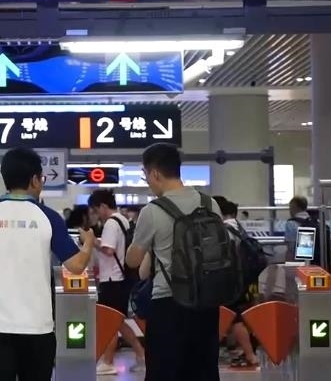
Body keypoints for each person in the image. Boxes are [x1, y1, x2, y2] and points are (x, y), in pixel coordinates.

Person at [0, 147, 94, 381]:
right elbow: (76, 266)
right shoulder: (49, 217)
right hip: (37, 328)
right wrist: (88, 243)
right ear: (34, 180)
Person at [125, 143, 215, 381]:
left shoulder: (153, 211)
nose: (147, 182)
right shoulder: (209, 203)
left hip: (168, 302)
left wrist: (149, 245)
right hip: (207, 301)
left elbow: (132, 261)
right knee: (203, 370)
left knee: (164, 371)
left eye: (146, 176)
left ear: (155, 173)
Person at [88, 189, 145, 375]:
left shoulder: (111, 223)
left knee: (109, 321)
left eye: (96, 210)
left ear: (103, 206)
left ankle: (108, 361)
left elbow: (108, 249)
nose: (96, 215)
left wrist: (91, 241)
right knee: (118, 321)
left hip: (112, 279)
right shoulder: (123, 220)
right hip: (121, 278)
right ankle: (141, 354)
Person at [213, 196, 259, 369]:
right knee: (235, 316)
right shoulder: (238, 227)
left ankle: (250, 354)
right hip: (244, 279)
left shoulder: (226, 230)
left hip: (231, 281)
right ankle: (247, 352)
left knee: (233, 318)